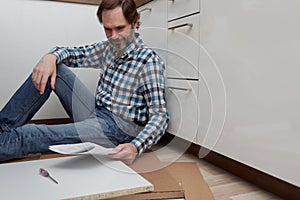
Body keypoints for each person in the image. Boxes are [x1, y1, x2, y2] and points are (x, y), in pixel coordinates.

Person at [0, 0, 169, 165]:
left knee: (28, 134)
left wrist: (134, 147)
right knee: (55, 68)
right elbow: (71, 53)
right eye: (108, 29)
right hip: (96, 111)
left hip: (117, 131)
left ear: (135, 23)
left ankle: (5, 143)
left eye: (120, 28)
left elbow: (160, 116)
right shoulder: (107, 49)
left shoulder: (148, 62)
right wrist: (49, 57)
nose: (114, 36)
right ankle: (1, 127)